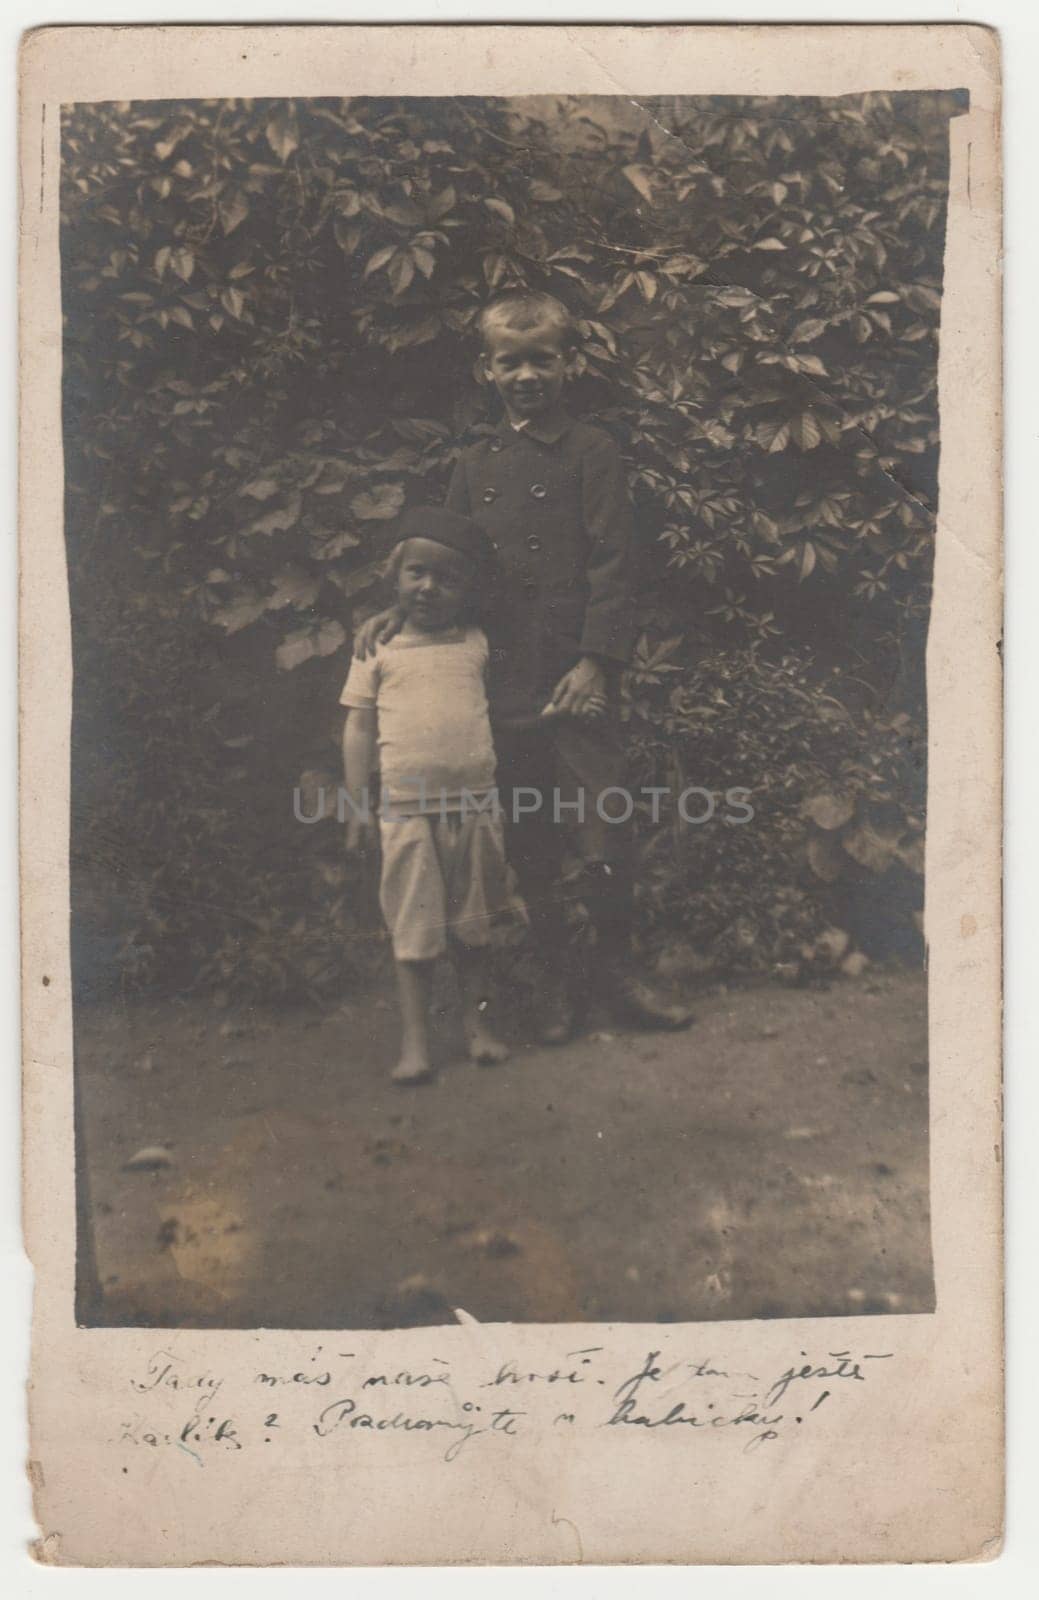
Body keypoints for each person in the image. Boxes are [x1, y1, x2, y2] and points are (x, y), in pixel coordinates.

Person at [355, 290, 693, 1044]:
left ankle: (615, 971)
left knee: (602, 823)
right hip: (500, 678)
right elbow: (442, 564)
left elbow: (614, 564)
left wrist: (596, 663)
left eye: (543, 359)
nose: (528, 375)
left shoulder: (592, 452)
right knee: (529, 837)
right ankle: (554, 984)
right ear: (487, 370)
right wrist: (397, 612)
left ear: (569, 363)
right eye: (511, 362)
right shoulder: (475, 461)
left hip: (573, 676)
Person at [340, 506, 511, 1085]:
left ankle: (476, 1027)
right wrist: (357, 805)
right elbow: (359, 728)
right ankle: (415, 1043)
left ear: (469, 590)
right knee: (413, 927)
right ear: (395, 577)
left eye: (447, 578)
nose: (429, 588)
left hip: (475, 805)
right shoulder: (376, 650)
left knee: (475, 922)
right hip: (406, 808)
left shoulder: (479, 643)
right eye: (416, 573)